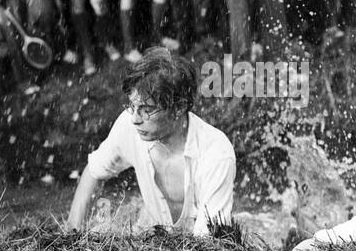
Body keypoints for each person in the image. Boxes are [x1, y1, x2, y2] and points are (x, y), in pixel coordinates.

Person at [66, 48, 236, 237]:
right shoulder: (128, 125)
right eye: (132, 106)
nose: (136, 119)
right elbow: (94, 171)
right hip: (155, 233)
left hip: (197, 246)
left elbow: (208, 247)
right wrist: (72, 235)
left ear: (178, 107)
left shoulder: (216, 153)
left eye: (147, 109)